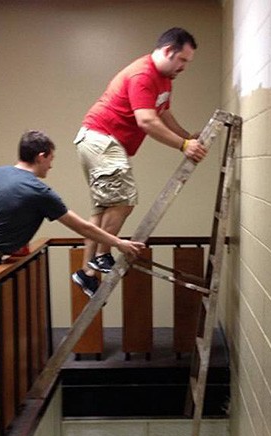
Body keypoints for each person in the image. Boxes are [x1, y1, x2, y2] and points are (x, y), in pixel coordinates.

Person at [71, 26, 207, 296]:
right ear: (167, 51)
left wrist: (186, 137)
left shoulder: (165, 80)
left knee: (103, 209)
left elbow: (163, 114)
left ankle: (87, 273)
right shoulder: (143, 74)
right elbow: (147, 121)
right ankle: (102, 255)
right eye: (182, 60)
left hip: (98, 140)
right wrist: (183, 146)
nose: (184, 67)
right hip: (101, 138)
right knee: (124, 200)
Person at [0, 130, 144, 290]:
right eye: (50, 159)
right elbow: (82, 227)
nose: (51, 166)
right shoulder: (38, 191)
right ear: (41, 157)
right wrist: (118, 243)